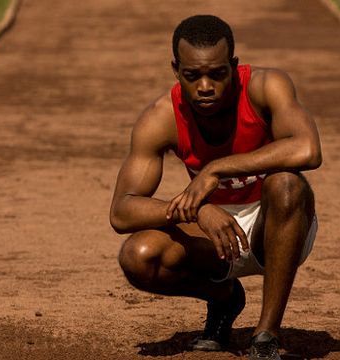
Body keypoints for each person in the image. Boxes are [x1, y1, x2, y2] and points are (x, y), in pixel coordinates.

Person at [110, 14, 322, 360]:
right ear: (176, 70)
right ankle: (224, 299)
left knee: (287, 184)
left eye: (217, 74)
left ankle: (266, 335)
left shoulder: (266, 86)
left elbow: (307, 149)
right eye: (192, 76)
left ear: (234, 66)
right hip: (215, 234)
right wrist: (199, 209)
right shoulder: (161, 117)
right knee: (139, 257)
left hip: (280, 222)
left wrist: (216, 169)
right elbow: (121, 211)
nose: (205, 86)